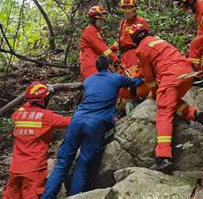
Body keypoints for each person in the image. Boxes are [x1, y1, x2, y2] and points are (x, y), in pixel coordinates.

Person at [43, 55, 144, 198]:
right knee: (83, 165)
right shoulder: (116, 78)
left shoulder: (88, 80)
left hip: (77, 120)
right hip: (95, 123)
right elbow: (135, 82)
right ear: (110, 66)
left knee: (63, 163)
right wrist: (144, 78)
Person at [130, 23, 203, 173]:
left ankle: (163, 157)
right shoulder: (158, 41)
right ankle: (194, 113)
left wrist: (154, 92)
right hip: (187, 73)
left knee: (163, 111)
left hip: (171, 75)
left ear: (134, 39)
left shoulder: (141, 49)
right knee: (170, 101)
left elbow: (149, 77)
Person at [3, 82, 71, 199]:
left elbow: (24, 108)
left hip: (15, 167)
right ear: (42, 100)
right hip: (34, 169)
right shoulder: (47, 116)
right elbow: (70, 122)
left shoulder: (18, 114)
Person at [110, 0, 151, 112]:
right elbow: (120, 41)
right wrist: (110, 50)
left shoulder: (141, 21)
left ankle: (137, 102)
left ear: (134, 8)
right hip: (124, 56)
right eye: (125, 8)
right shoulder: (122, 23)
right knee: (121, 77)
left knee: (134, 77)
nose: (127, 11)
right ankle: (123, 105)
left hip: (135, 53)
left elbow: (145, 40)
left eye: (130, 8)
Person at [79, 5, 119, 80]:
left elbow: (100, 50)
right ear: (93, 19)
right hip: (91, 67)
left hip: (96, 65)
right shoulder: (89, 31)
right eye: (100, 19)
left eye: (103, 19)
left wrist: (115, 46)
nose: (102, 21)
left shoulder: (95, 31)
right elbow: (102, 49)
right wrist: (116, 59)